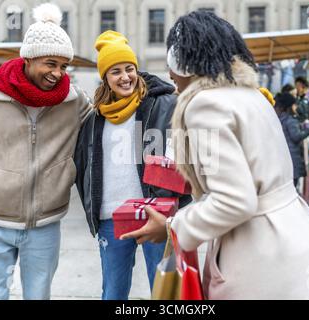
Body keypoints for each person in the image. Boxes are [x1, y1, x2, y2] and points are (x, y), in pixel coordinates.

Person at [122, 10, 309, 300]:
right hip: (293, 237)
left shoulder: (205, 104)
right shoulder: (249, 96)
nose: (169, 74)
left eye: (170, 63)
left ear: (183, 62)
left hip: (258, 250)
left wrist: (174, 226)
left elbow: (235, 200)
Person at [0, 3, 92, 300]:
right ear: (29, 58)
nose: (59, 73)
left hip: (46, 224)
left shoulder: (73, 101)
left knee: (38, 296)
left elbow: (101, 129)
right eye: (51, 63)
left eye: (64, 66)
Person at [74, 30, 192, 300]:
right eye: (115, 71)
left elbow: (187, 150)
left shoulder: (164, 104)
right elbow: (83, 164)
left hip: (155, 214)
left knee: (165, 292)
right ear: (105, 77)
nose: (125, 77)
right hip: (110, 217)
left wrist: (177, 205)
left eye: (129, 69)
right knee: (113, 292)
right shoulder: (94, 119)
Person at [275, 92, 309, 187]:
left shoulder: (279, 119)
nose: (296, 107)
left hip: (284, 159)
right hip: (293, 159)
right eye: (295, 105)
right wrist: (307, 129)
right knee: (293, 186)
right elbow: (296, 137)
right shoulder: (290, 120)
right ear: (289, 106)